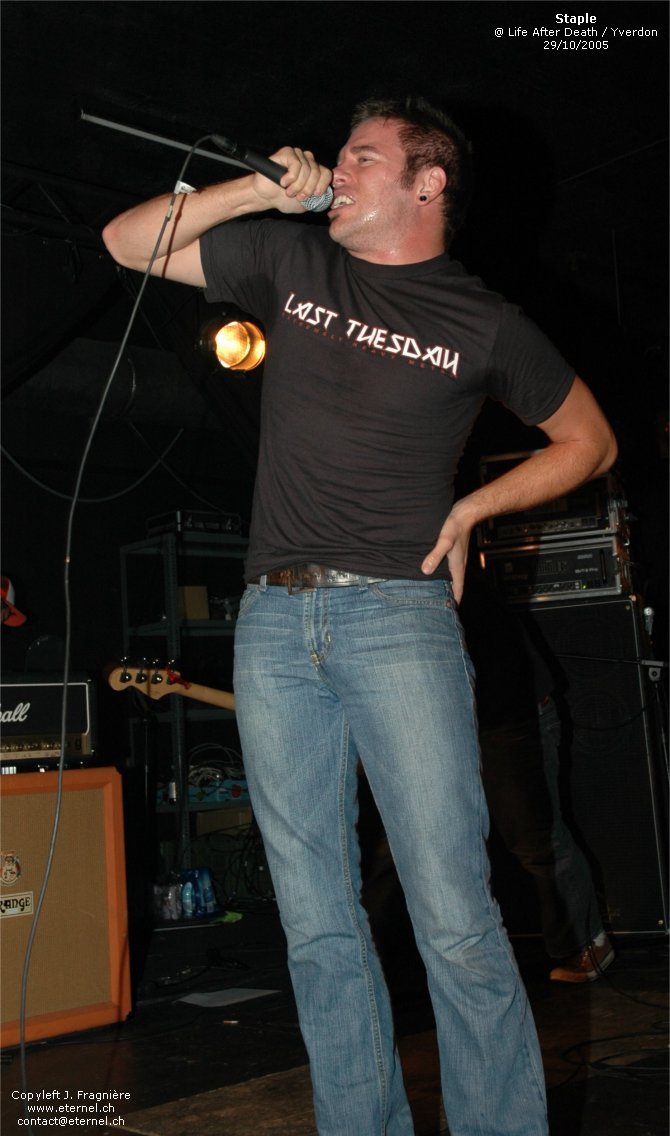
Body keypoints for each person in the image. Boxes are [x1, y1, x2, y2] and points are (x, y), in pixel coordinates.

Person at [103, 96, 617, 1136]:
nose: (338, 169)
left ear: (427, 183)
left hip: (398, 621)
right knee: (316, 924)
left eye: (362, 157)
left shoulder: (483, 321)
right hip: (272, 624)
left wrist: (472, 507)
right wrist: (255, 188)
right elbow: (126, 242)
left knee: (454, 917)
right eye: (338, 154)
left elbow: (589, 441)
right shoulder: (295, 262)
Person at [459, 567, 615, 983]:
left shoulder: (441, 561)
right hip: (468, 721)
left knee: (538, 841)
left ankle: (588, 943)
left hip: (511, 716)